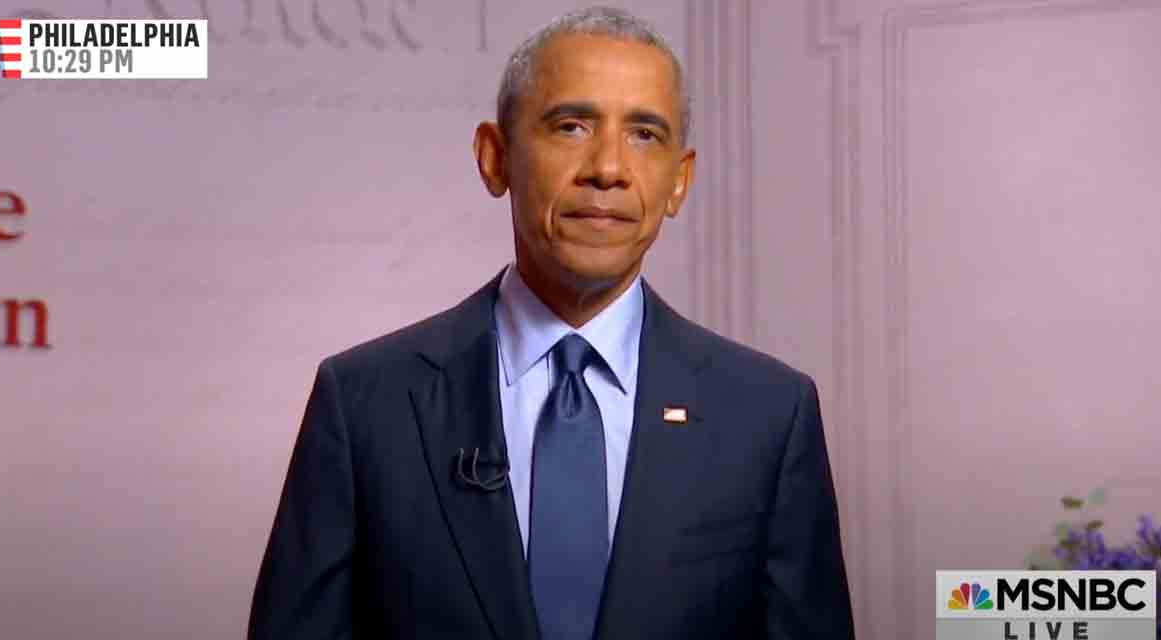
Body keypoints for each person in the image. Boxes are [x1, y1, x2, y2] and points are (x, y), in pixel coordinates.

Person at [248, 6, 854, 639]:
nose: (609, 168)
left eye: (645, 134)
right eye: (571, 126)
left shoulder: (769, 415)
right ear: (495, 158)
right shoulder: (365, 403)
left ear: (680, 181)